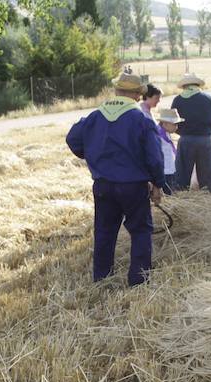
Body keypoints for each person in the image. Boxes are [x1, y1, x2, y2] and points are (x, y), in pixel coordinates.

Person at [66, 71, 164, 287]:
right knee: (140, 231)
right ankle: (139, 281)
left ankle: (101, 278)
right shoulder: (141, 119)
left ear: (116, 90)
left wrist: (91, 155)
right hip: (133, 186)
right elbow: (155, 157)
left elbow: (72, 138)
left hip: (102, 185)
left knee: (104, 232)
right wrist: (157, 184)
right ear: (138, 95)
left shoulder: (95, 116)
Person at [170, 73, 211, 192]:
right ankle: (207, 194)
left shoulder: (178, 99)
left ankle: (182, 194)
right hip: (205, 140)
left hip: (186, 139)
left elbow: (171, 122)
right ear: (197, 85)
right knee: (206, 173)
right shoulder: (207, 98)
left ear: (184, 86)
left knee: (182, 173)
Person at [156, 108, 183, 194]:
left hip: (170, 169)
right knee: (167, 193)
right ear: (165, 124)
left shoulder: (165, 133)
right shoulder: (158, 135)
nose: (177, 127)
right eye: (174, 124)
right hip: (164, 171)